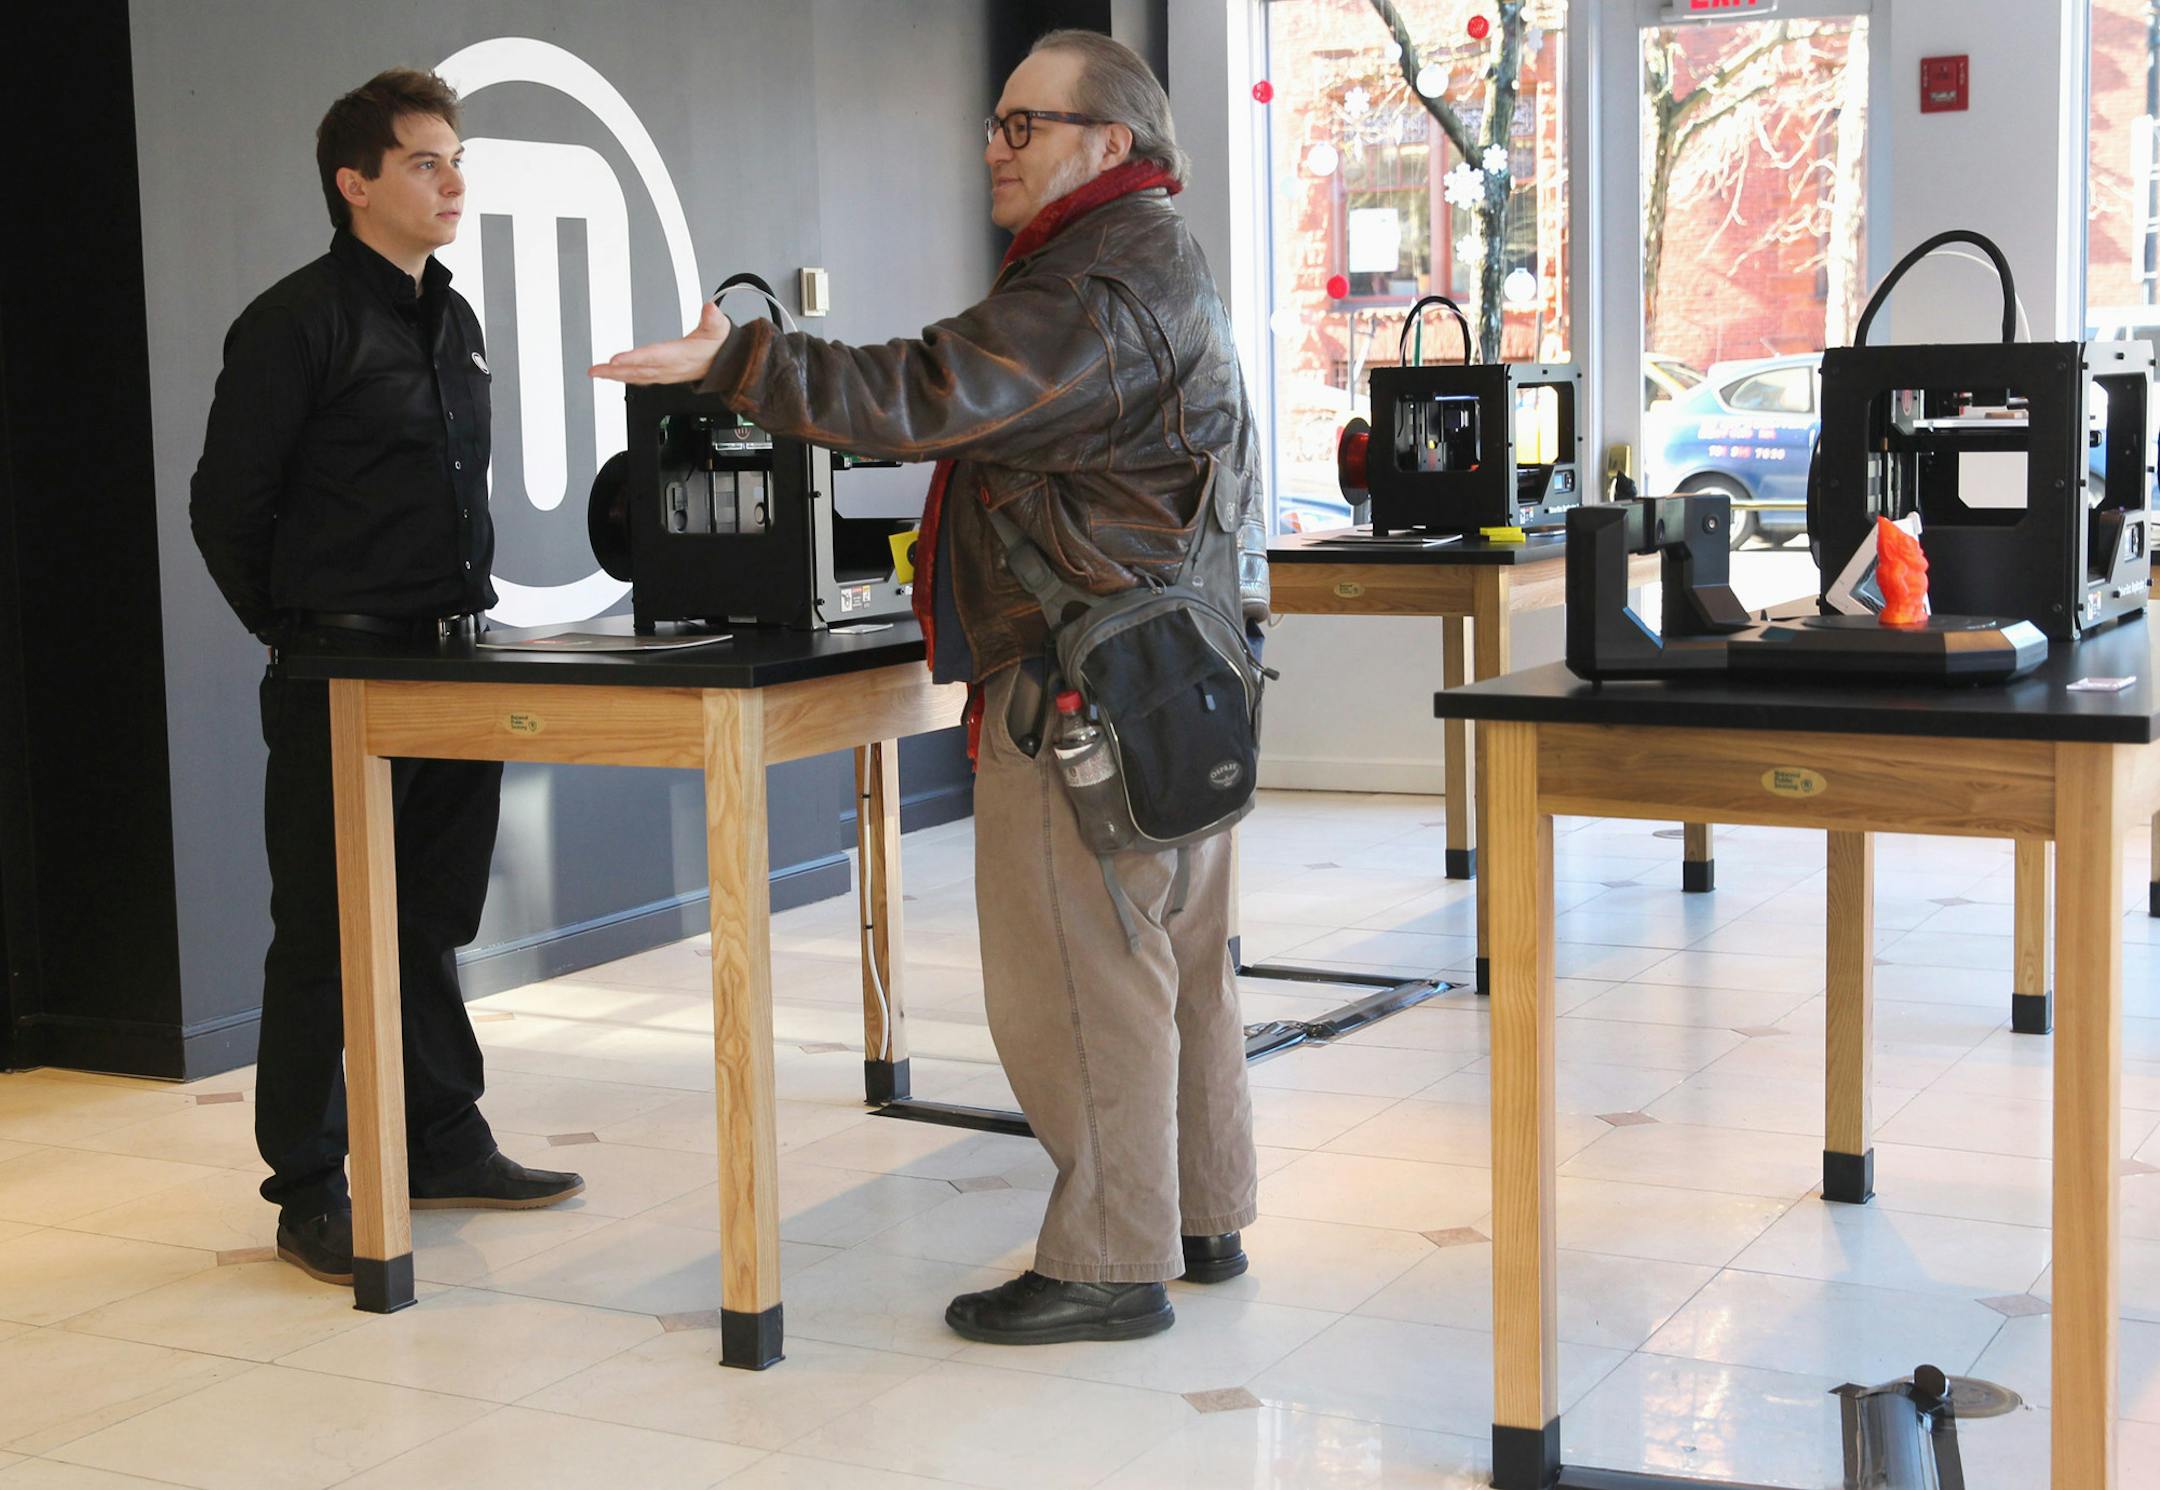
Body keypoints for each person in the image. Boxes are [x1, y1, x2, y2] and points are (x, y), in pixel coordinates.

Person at [595, 30, 1268, 1344]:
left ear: (1111, 143)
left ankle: (1106, 1258)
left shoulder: (1092, 290)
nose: (992, 145)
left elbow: (925, 392)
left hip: (1078, 681)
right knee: (1180, 962)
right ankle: (1199, 1211)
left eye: (1025, 124)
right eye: (996, 119)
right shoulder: (1153, 267)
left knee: (1078, 978)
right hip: (1174, 667)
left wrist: (741, 362)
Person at [191, 68, 583, 1286]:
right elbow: (225, 508)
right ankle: (310, 1181)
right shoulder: (295, 320)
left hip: (453, 661)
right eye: (425, 161)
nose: (452, 179)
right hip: (337, 668)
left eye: (456, 157)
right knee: (321, 927)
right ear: (355, 183)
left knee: (429, 920)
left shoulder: (451, 318)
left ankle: (442, 1137)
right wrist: (298, 631)